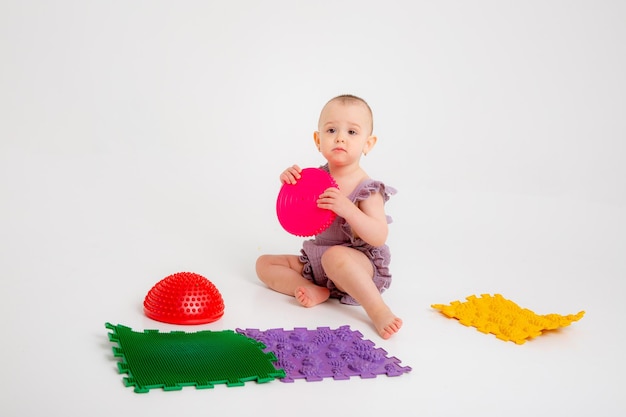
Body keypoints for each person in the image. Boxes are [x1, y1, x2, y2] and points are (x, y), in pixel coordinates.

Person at [256, 94, 402, 339]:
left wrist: (348, 209)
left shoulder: (367, 188)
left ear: (368, 143)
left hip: (357, 267)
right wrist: (290, 185)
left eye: (352, 132)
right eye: (332, 129)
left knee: (335, 256)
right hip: (319, 264)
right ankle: (310, 289)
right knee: (264, 263)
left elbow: (378, 236)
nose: (340, 137)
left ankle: (378, 309)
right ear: (318, 140)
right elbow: (296, 212)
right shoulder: (313, 180)